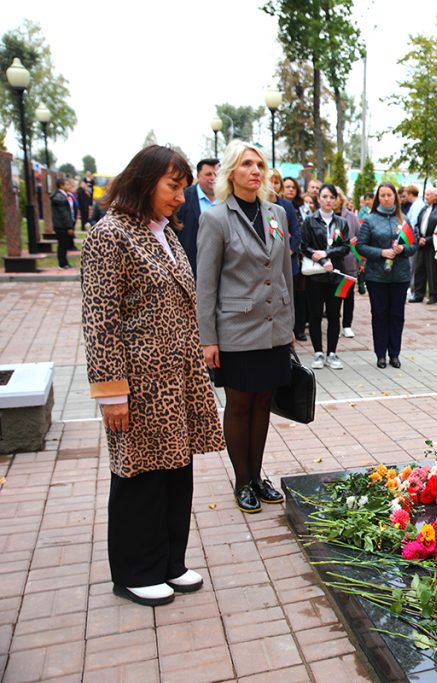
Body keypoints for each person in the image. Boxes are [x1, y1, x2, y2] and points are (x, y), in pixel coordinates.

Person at [81, 144, 223, 606]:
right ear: (145, 181)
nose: (181, 196)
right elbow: (100, 319)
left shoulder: (162, 231)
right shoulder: (110, 235)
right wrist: (111, 392)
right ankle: (134, 570)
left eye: (184, 187)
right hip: (138, 383)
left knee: (176, 473)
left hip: (177, 378)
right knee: (138, 477)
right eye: (173, 186)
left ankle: (168, 562)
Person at [196, 140, 294, 514]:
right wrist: (208, 338)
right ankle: (242, 481)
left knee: (264, 402)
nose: (256, 171)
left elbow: (284, 271)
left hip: (273, 328)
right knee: (240, 404)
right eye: (247, 164)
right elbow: (206, 283)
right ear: (231, 172)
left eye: (260, 164)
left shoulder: (276, 214)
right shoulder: (217, 218)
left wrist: (289, 326)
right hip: (236, 328)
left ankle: (258, 475)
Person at [357, 182, 417, 368]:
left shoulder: (404, 220)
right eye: (382, 195)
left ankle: (395, 354)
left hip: (400, 276)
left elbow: (413, 246)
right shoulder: (370, 220)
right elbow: (360, 245)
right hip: (377, 276)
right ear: (378, 198)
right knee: (380, 314)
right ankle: (380, 354)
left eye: (389, 195)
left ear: (395, 198)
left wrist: (402, 248)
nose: (386, 198)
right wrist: (381, 253)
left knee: (397, 315)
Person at [300, 184, 354, 369]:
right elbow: (304, 246)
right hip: (315, 275)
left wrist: (327, 253)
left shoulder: (341, 222)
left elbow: (345, 247)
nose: (328, 200)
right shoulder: (310, 221)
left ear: (336, 199)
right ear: (318, 199)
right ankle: (318, 353)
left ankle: (332, 352)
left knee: (333, 315)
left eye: (332, 196)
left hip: (335, 275)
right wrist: (320, 258)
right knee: (315, 315)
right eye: (324, 196)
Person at [176, 158, 219, 277]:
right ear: (198, 175)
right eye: (208, 174)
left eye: (216, 174)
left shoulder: (228, 199)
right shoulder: (183, 199)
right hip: (191, 270)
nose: (213, 178)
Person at [282, 177, 308, 340]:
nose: (290, 189)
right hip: (276, 259)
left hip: (294, 257)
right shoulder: (277, 207)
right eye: (287, 186)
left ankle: (297, 329)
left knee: (296, 296)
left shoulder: (293, 207)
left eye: (293, 187)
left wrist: (290, 250)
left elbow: (297, 232)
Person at [412, 187, 437, 304]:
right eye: (425, 195)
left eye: (429, 195)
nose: (426, 197)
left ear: (435, 196)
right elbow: (416, 225)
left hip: (432, 244)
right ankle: (418, 294)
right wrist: (418, 238)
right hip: (421, 242)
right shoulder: (424, 209)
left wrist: (428, 239)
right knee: (419, 269)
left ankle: (433, 295)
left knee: (432, 270)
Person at [51, 177, 77, 269]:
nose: (69, 186)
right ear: (61, 186)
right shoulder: (59, 197)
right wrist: (69, 227)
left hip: (62, 225)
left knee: (64, 245)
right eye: (67, 184)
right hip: (61, 226)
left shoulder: (64, 196)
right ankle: (62, 263)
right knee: (62, 245)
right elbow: (64, 214)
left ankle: (64, 262)